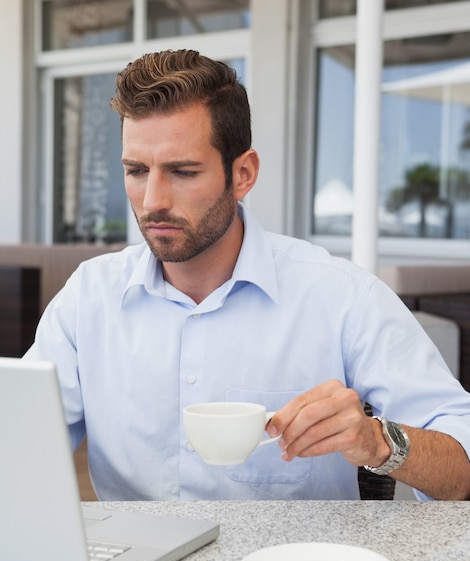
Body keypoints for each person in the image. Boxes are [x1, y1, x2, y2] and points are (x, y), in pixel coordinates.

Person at [25, 49, 470, 502]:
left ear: (242, 174)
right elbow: (20, 447)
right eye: (136, 171)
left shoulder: (342, 297)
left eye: (182, 171)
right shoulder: (89, 297)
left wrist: (378, 441)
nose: (152, 200)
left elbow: (463, 466)